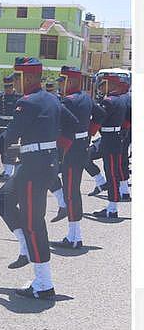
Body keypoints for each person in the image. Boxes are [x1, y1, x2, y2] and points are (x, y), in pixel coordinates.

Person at [0, 57, 78, 298]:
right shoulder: (52, 99)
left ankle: (43, 284)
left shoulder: (26, 103)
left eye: (17, 77)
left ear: (28, 77)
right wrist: (59, 150)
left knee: (34, 222)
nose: (15, 82)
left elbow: (12, 133)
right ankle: (25, 247)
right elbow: (73, 125)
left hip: (34, 168)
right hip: (39, 164)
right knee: (2, 200)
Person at [50, 66, 106, 248]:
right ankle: (73, 234)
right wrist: (89, 133)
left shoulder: (68, 102)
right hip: (81, 148)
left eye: (63, 81)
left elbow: (61, 127)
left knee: (71, 192)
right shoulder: (86, 98)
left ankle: (75, 237)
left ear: (72, 81)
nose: (60, 85)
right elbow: (100, 115)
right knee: (71, 190)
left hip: (70, 151)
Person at [91, 72, 131, 220]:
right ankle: (111, 205)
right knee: (113, 172)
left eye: (104, 84)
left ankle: (112, 208)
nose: (102, 87)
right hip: (116, 138)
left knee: (111, 173)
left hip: (109, 140)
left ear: (110, 84)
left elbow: (100, 118)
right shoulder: (119, 99)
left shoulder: (109, 101)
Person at [0, 74, 21, 180]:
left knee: (11, 149)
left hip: (13, 124)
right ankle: (6, 169)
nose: (8, 89)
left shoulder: (19, 97)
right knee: (2, 148)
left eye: (10, 86)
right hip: (2, 123)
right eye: (6, 87)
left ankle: (9, 172)